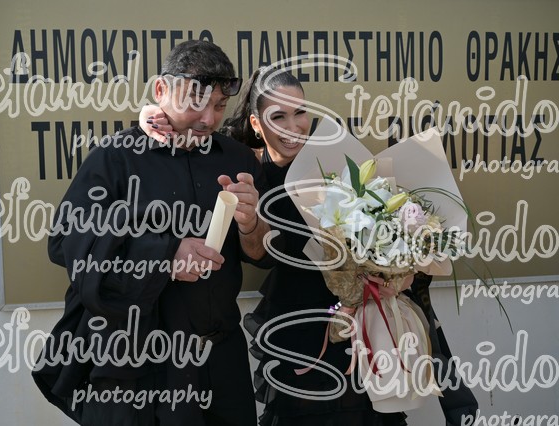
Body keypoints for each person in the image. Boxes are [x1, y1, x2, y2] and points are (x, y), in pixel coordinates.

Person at [141, 66, 478, 426]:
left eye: (300, 112)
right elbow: (197, 137)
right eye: (278, 116)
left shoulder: (337, 162)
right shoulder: (245, 167)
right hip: (298, 330)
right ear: (256, 124)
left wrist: (392, 271)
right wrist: (151, 116)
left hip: (357, 322)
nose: (293, 126)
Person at [33, 40, 270, 426]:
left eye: (219, 106)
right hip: (143, 365)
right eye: (195, 103)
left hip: (220, 358)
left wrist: (251, 224)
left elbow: (260, 254)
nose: (208, 119)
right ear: (161, 90)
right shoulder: (117, 157)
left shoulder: (238, 159)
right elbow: (64, 242)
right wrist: (167, 255)